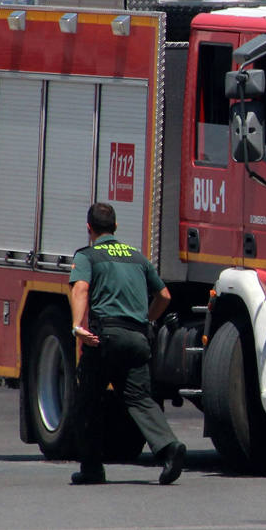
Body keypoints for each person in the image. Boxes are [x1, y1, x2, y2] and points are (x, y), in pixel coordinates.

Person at [67, 202, 186, 486]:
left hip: (104, 339)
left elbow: (81, 287)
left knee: (88, 402)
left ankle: (92, 469)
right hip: (137, 338)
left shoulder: (88, 256)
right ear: (116, 227)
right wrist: (146, 321)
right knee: (140, 399)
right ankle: (170, 449)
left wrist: (77, 326)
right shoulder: (137, 257)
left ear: (89, 229)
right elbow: (165, 296)